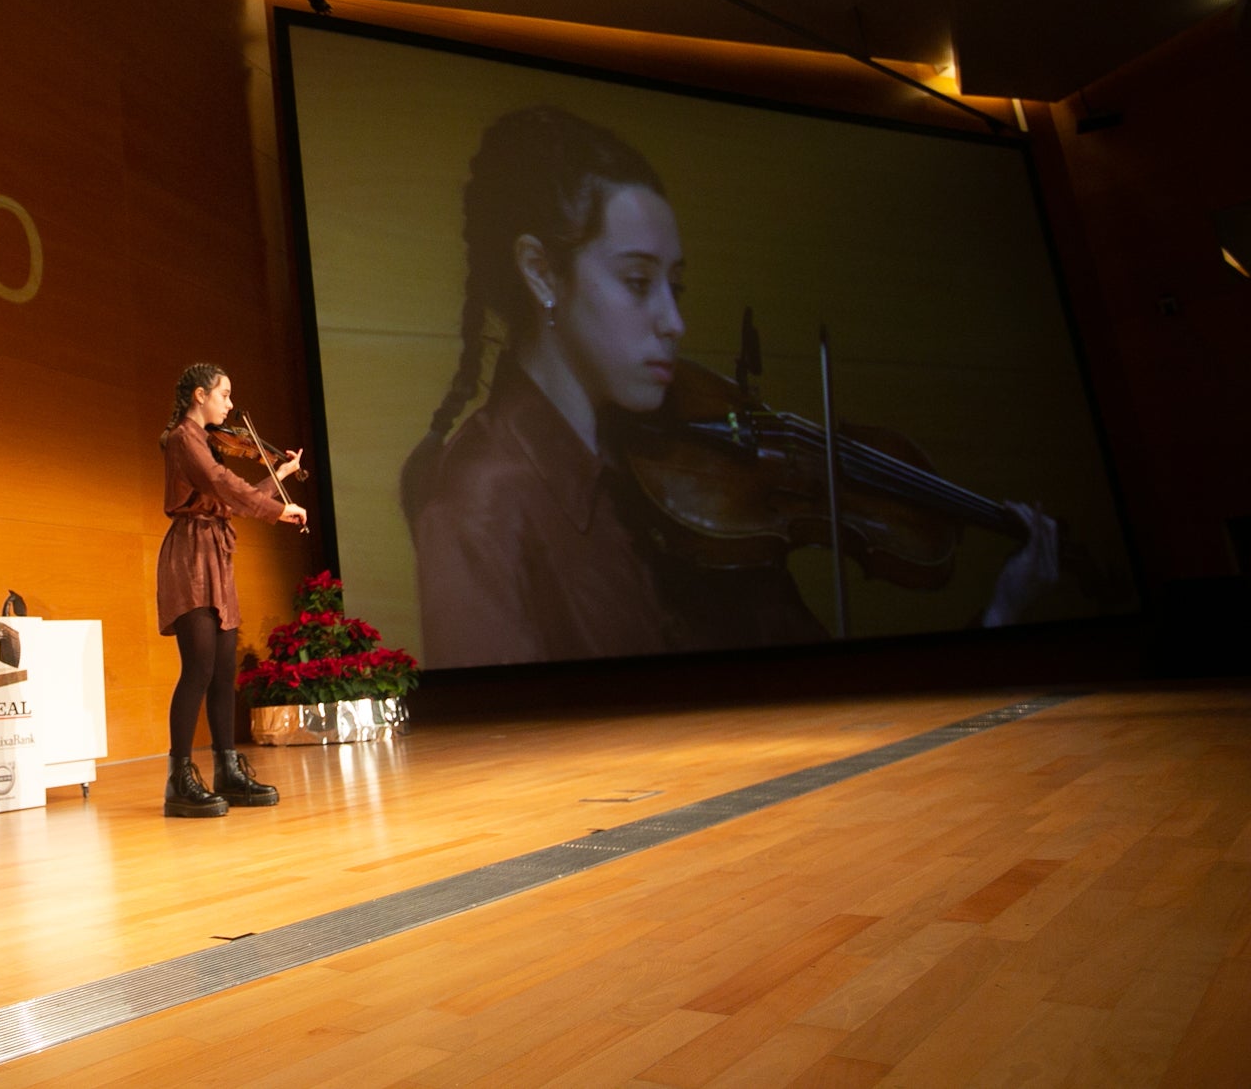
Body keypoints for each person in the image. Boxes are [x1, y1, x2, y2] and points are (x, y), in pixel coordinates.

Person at [401, 105, 1058, 667]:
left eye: (675, 285)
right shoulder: (478, 507)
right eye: (637, 281)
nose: (675, 322)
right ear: (542, 272)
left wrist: (1000, 615)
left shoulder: (689, 486)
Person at [157, 363, 308, 817]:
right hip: (190, 556)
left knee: (224, 673)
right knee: (198, 669)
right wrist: (276, 512)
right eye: (224, 395)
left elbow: (228, 500)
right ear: (200, 395)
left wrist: (278, 478)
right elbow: (223, 484)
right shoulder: (185, 438)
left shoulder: (205, 442)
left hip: (216, 553)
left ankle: (228, 769)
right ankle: (179, 778)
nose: (229, 404)